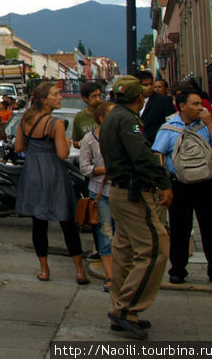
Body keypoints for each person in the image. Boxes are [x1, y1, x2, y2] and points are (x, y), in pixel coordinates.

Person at [100, 75, 172, 340]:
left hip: (118, 190)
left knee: (124, 251)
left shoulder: (111, 118)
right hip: (133, 191)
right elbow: (142, 156)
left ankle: (122, 310)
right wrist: (163, 182)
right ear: (139, 98)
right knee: (155, 247)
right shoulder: (128, 120)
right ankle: (125, 309)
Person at [15, 82, 88, 284]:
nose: (60, 96)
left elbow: (19, 146)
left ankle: (44, 269)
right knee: (67, 222)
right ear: (44, 99)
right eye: (56, 94)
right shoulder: (55, 123)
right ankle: (80, 270)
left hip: (33, 173)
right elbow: (63, 154)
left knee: (39, 223)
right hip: (53, 173)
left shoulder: (25, 120)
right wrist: (64, 138)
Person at [151, 87, 212, 286]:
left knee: (210, 228)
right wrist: (163, 185)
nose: (201, 107)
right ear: (182, 106)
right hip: (179, 184)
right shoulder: (169, 128)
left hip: (205, 184)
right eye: (195, 104)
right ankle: (178, 269)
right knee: (180, 228)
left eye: (201, 103)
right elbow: (158, 155)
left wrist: (210, 124)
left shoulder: (207, 125)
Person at [78, 100, 116, 291]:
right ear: (102, 118)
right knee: (105, 233)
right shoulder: (90, 139)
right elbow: (84, 167)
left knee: (122, 234)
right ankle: (110, 276)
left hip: (120, 191)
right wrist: (104, 170)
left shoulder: (121, 136)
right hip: (100, 192)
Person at [137, 71, 175, 146]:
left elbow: (171, 124)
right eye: (145, 85)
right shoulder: (133, 101)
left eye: (151, 84)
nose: (149, 87)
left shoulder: (163, 100)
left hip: (157, 144)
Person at [71, 82, 103, 149]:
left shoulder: (106, 113)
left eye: (99, 95)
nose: (98, 99)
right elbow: (75, 142)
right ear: (85, 98)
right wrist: (80, 143)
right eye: (94, 96)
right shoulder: (79, 117)